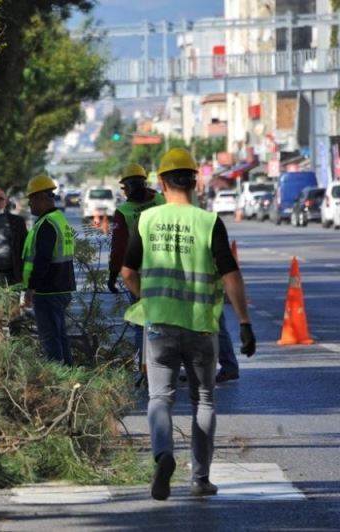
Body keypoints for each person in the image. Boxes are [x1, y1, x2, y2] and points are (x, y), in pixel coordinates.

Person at [121, 148, 256, 500]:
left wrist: (145, 299)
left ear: (162, 182)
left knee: (160, 398)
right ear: (194, 182)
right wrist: (244, 323)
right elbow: (231, 275)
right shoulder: (209, 222)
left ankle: (163, 454)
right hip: (201, 327)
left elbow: (127, 273)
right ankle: (200, 479)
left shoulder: (147, 221)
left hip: (160, 325)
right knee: (205, 401)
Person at [108, 163, 165, 381]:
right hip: (166, 270)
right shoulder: (161, 200)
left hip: (139, 276)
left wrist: (113, 275)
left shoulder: (124, 212)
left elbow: (119, 248)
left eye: (125, 188)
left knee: (142, 321)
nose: (125, 192)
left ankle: (145, 366)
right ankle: (169, 362)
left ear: (130, 186)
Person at [21, 175, 76, 366]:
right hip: (61, 287)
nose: (29, 205)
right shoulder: (59, 219)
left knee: (50, 340)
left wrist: (31, 288)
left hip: (48, 290)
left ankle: (58, 382)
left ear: (41, 198)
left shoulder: (47, 224)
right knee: (60, 337)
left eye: (31, 200)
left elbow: (42, 259)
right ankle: (69, 378)